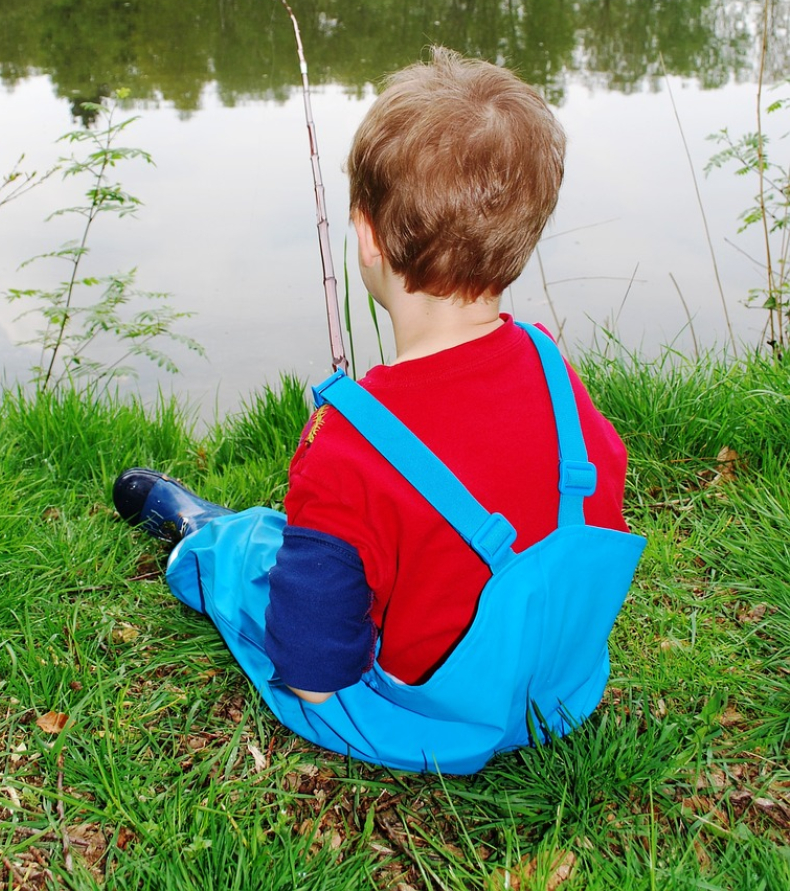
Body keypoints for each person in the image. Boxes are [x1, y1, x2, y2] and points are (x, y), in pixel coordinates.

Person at [113, 49, 645, 774]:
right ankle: (238, 536)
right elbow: (597, 484)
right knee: (330, 540)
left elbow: (313, 673)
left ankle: (196, 537)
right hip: (558, 686)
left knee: (254, 556)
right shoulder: (553, 366)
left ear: (365, 235)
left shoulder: (346, 444)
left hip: (430, 718)